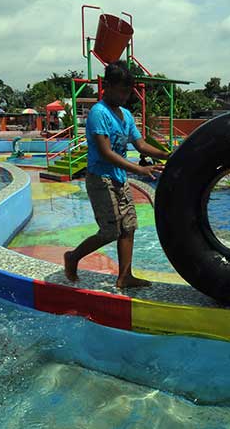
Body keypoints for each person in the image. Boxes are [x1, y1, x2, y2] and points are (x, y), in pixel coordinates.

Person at [63, 61, 169, 288]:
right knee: (110, 231)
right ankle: (72, 257)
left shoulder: (126, 116)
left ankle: (125, 276)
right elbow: (105, 152)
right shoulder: (98, 113)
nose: (124, 96)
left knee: (129, 227)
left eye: (127, 91)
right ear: (107, 86)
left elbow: (140, 144)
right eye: (121, 90)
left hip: (120, 178)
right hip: (101, 178)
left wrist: (167, 154)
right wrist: (140, 169)